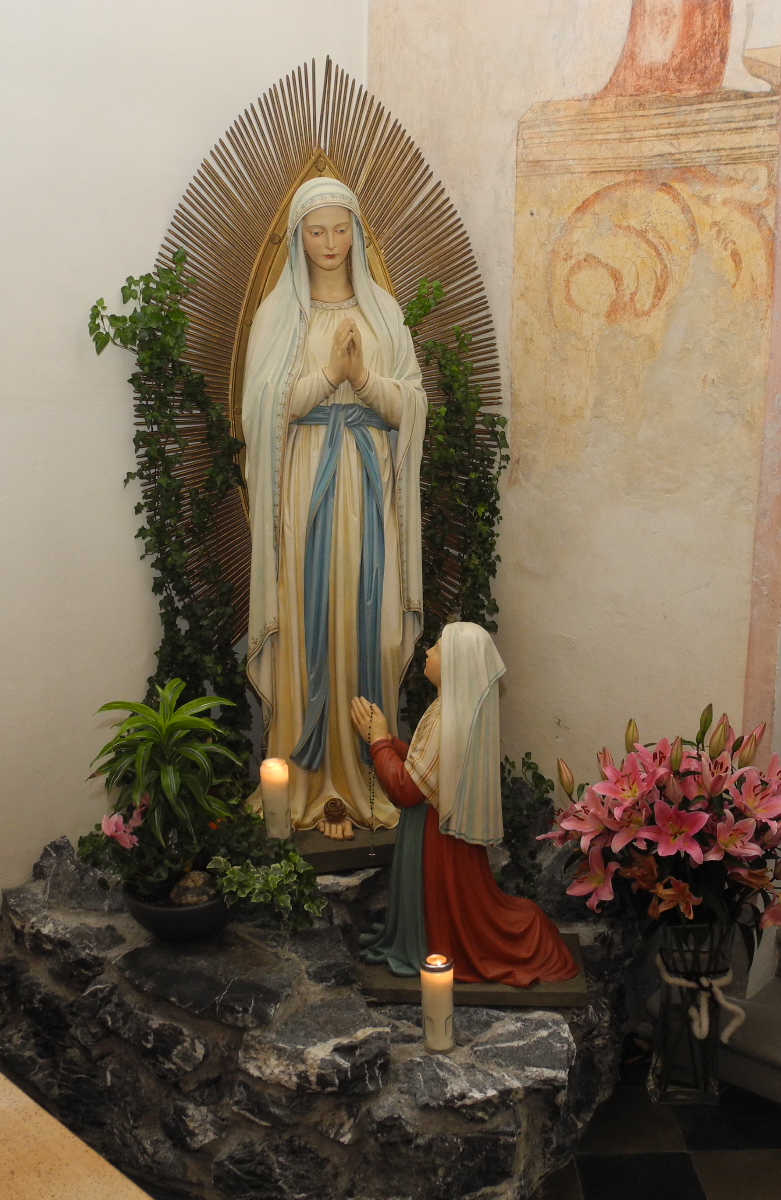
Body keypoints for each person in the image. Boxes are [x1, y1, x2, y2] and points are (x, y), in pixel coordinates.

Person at [243, 176, 427, 839]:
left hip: (370, 487)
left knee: (369, 617)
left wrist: (365, 380)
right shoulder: (278, 316)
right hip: (305, 487)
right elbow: (260, 412)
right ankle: (309, 778)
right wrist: (327, 378)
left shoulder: (383, 312)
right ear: (298, 238)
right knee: (309, 614)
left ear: (357, 234)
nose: (329, 243)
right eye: (316, 231)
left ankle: (366, 772)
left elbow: (413, 404)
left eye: (340, 229)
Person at [353, 622, 579, 987]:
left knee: (443, 907)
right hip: (434, 828)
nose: (428, 652)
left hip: (435, 836)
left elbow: (407, 789)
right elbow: (427, 767)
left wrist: (378, 741)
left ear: (455, 665)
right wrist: (392, 743)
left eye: (438, 649)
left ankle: (431, 945)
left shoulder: (449, 717)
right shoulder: (449, 709)